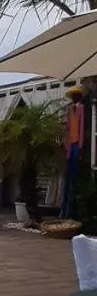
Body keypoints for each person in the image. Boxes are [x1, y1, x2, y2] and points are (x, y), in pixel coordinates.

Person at [62, 85, 85, 218]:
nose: (74, 98)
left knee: (75, 175)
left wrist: (81, 147)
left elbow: (81, 128)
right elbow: (68, 128)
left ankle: (72, 209)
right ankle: (64, 210)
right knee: (68, 176)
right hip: (70, 145)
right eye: (73, 96)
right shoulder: (70, 109)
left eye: (76, 96)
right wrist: (66, 146)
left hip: (77, 145)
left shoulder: (82, 108)